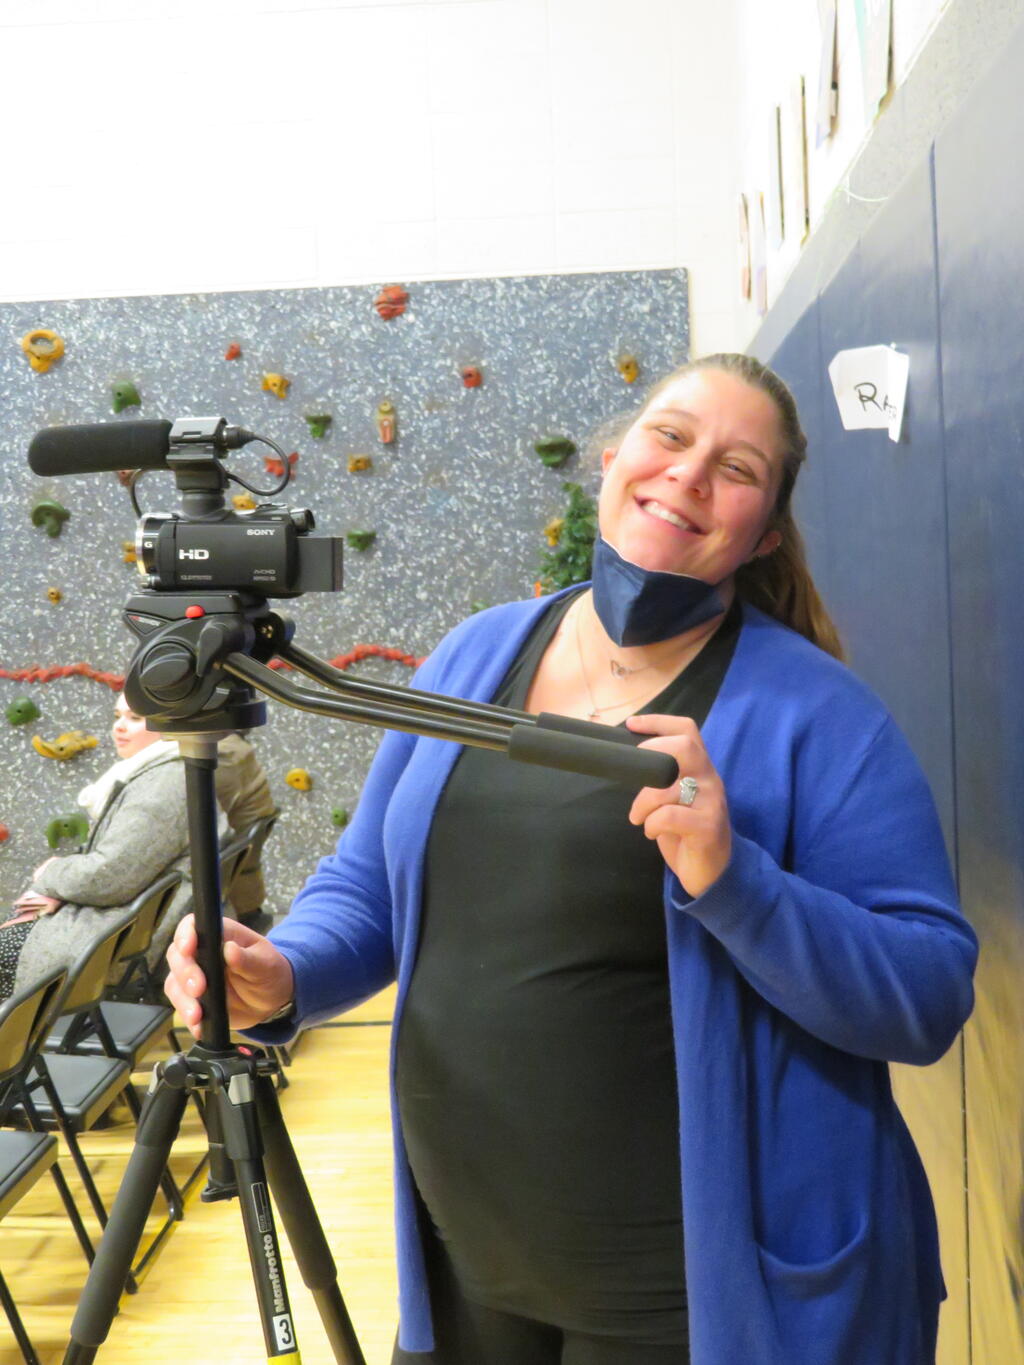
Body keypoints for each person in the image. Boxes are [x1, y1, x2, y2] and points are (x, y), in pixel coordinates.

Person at [165, 353, 978, 1365]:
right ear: (613, 457)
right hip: (474, 1266)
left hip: (700, 1296)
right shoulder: (476, 653)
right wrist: (284, 971)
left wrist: (735, 881)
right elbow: (369, 885)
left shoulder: (820, 714)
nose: (688, 475)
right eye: (670, 436)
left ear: (765, 532)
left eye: (736, 469)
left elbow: (927, 992)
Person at [3, 693, 192, 998]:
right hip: (111, 932)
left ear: (170, 725)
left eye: (135, 718)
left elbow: (109, 877)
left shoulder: (163, 785)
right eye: (117, 717)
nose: (119, 727)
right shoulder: (162, 771)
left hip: (101, 945)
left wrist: (50, 873)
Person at [213, 731, 277, 930]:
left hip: (227, 906)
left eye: (137, 718)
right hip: (243, 894)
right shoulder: (233, 746)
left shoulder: (219, 757)